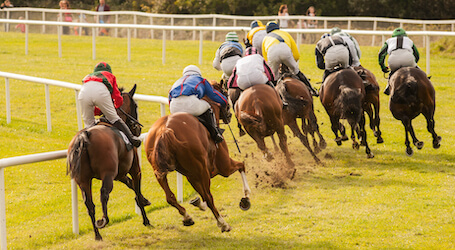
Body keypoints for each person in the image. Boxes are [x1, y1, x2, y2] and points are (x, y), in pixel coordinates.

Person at [78, 62, 141, 147]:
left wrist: (101, 110)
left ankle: (85, 146)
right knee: (114, 118)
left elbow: (94, 110)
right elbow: (117, 98)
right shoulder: (110, 76)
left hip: (83, 92)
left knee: (89, 126)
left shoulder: (89, 76)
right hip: (100, 92)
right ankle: (132, 139)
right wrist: (116, 107)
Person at [169, 65, 228, 144]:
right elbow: (213, 94)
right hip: (191, 104)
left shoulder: (177, 82)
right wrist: (224, 102)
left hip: (174, 106)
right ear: (198, 74)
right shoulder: (201, 80)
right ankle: (215, 133)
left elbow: (170, 98)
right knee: (208, 106)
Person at [262, 21, 318, 96]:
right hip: (285, 49)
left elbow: (266, 60)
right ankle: (311, 90)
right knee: (296, 71)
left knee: (273, 77)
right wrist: (290, 64)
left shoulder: (265, 38)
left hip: (272, 52)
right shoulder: (285, 33)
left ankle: (270, 96)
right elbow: (296, 55)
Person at [378, 28, 420, 95]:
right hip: (408, 59)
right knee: (419, 71)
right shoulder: (409, 40)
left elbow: (381, 54)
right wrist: (414, 64)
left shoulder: (389, 41)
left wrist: (383, 67)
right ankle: (426, 80)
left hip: (393, 60)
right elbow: (417, 55)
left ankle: (388, 86)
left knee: (392, 73)